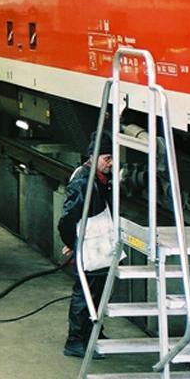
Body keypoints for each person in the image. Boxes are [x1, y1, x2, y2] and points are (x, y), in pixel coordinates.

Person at [57, 132, 114, 358]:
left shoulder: (98, 178)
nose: (111, 163)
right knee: (85, 294)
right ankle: (75, 341)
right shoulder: (83, 182)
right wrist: (72, 243)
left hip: (97, 245)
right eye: (107, 158)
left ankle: (92, 333)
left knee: (96, 291)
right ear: (93, 156)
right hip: (89, 247)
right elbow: (67, 218)